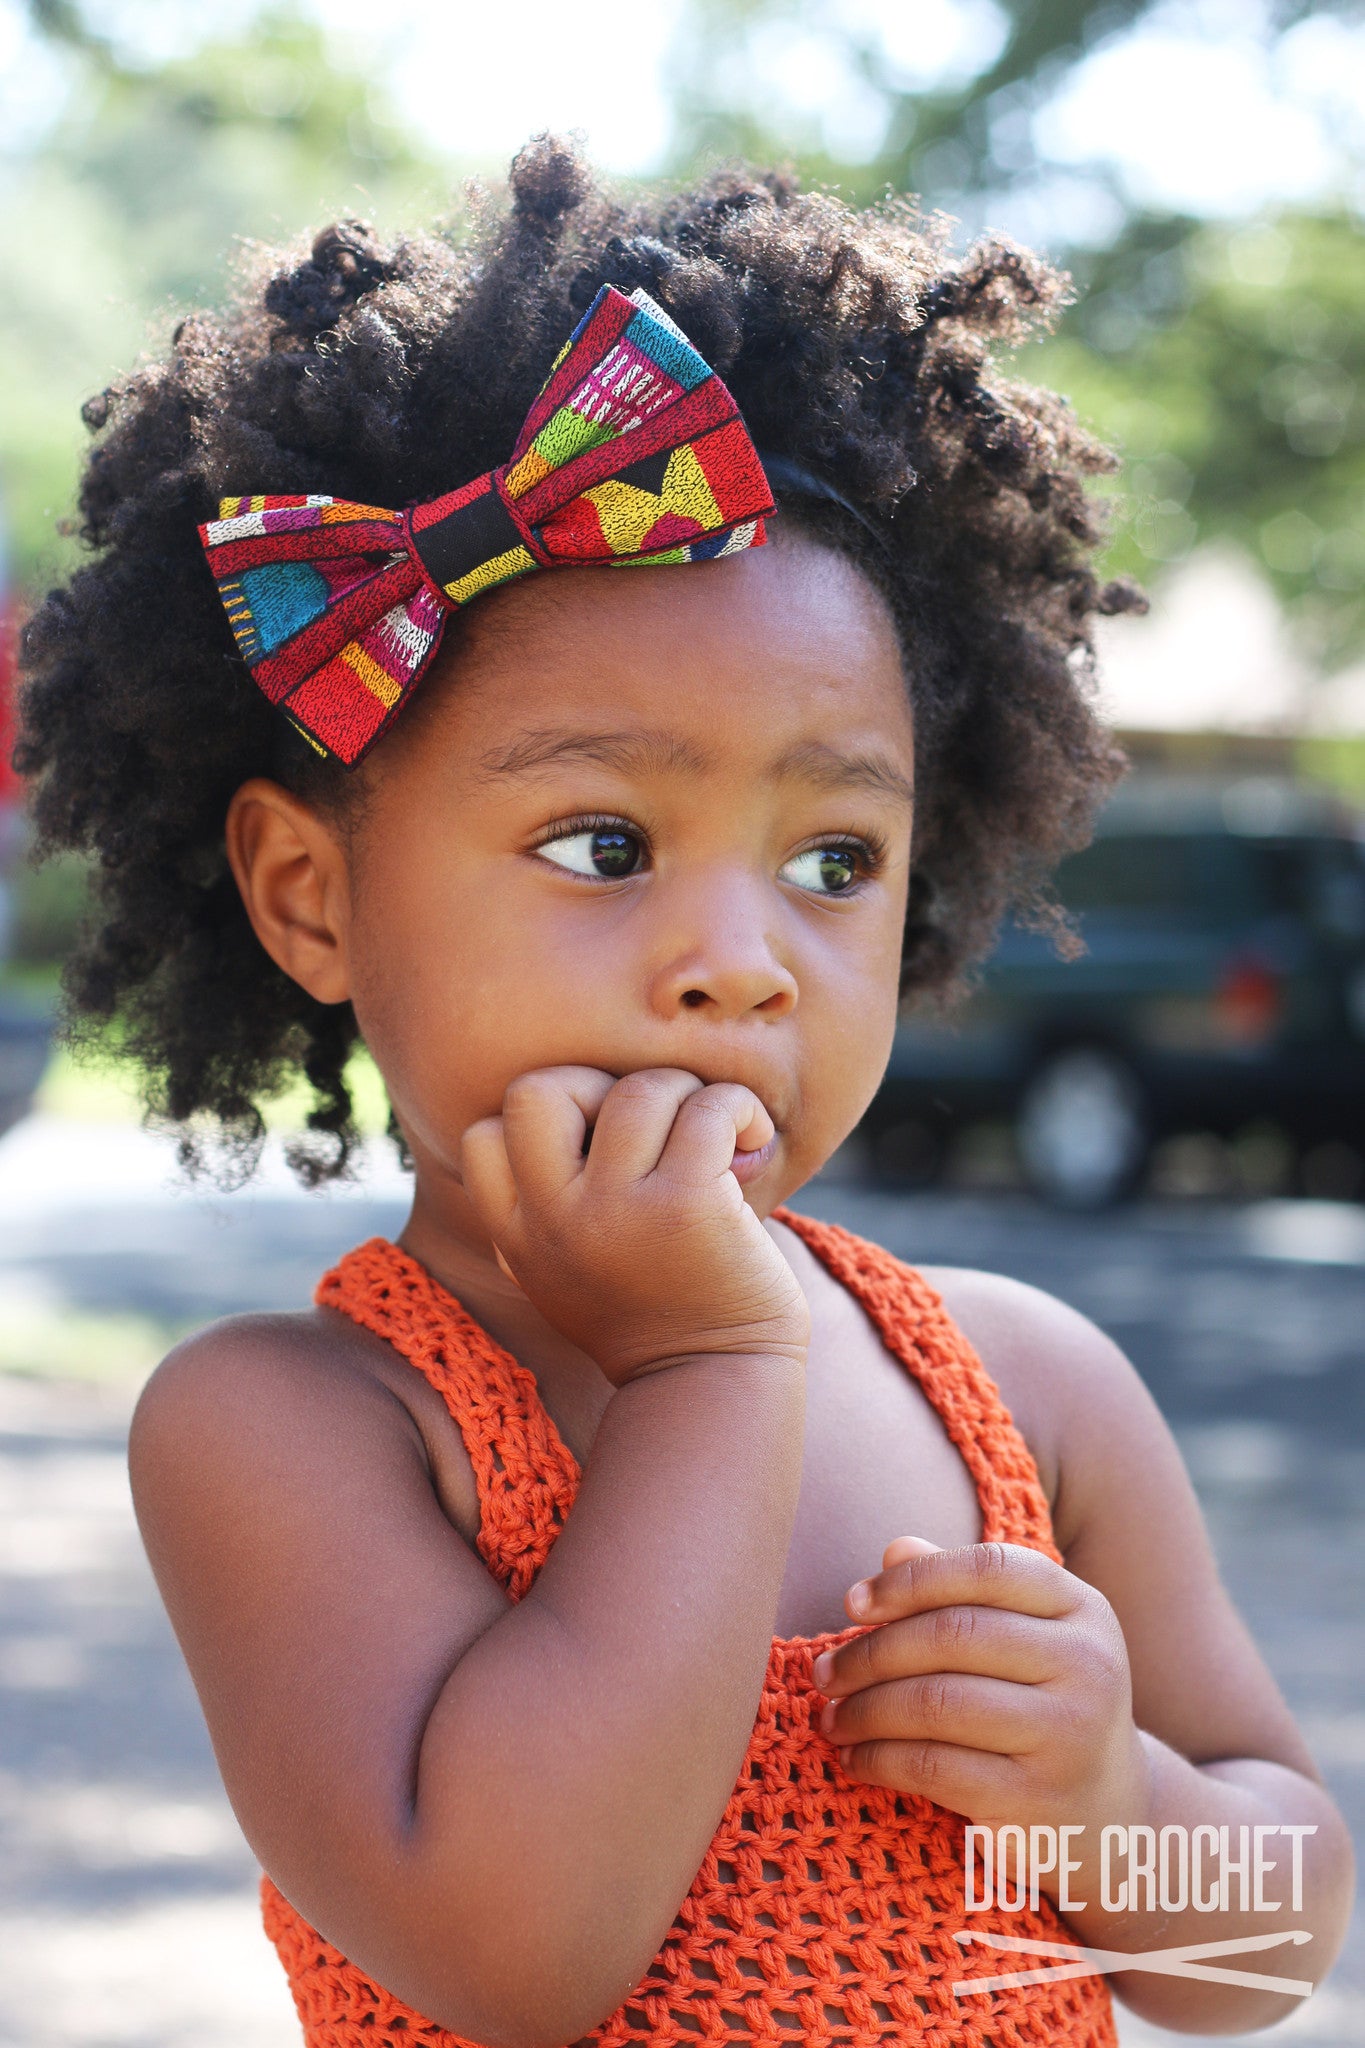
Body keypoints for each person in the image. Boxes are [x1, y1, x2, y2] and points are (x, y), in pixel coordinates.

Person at [14, 136, 1353, 2047]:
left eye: (832, 863)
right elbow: (516, 1956)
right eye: (599, 841)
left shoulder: (1029, 1390)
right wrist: (708, 1370)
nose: (741, 958)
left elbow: (1253, 1960)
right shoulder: (304, 1431)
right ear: (311, 896)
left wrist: (1113, 1803)